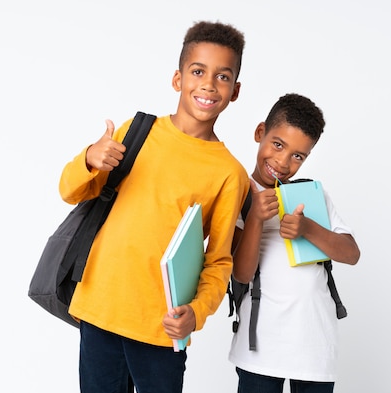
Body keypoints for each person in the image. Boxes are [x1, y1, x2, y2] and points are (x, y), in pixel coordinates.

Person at [58, 21, 250, 393]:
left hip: (162, 326)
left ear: (235, 90)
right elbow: (69, 191)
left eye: (222, 76)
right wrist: (89, 159)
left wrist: (196, 313)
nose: (208, 84)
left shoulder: (230, 173)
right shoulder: (137, 131)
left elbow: (220, 259)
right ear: (178, 79)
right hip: (100, 308)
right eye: (198, 71)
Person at [228, 93, 361, 393]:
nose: (283, 162)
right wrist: (255, 220)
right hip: (259, 346)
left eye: (298, 156)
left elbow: (352, 254)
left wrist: (309, 229)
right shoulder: (238, 196)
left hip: (314, 346)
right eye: (278, 144)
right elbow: (241, 274)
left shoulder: (311, 195)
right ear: (260, 133)